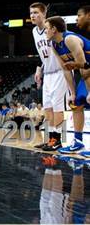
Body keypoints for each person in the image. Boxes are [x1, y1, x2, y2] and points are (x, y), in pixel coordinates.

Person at [45, 16, 89, 157]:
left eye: (46, 29)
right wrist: (72, 92)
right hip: (86, 73)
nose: (45, 32)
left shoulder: (70, 39)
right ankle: (78, 142)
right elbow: (66, 69)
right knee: (76, 103)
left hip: (87, 70)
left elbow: (83, 65)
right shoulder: (54, 45)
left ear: (54, 29)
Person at [30, 2, 67, 152]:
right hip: (48, 73)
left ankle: (57, 140)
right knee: (48, 109)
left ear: (44, 14)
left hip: (60, 71)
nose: (33, 15)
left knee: (58, 108)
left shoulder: (52, 27)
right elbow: (43, 55)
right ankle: (50, 138)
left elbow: (63, 45)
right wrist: (39, 69)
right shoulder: (34, 31)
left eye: (36, 13)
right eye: (31, 13)